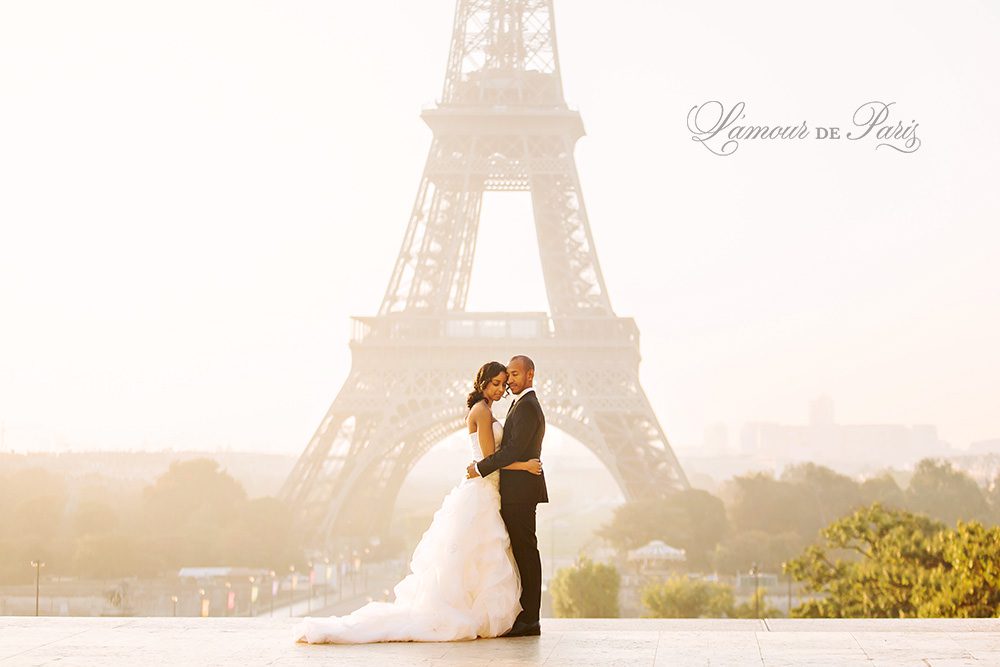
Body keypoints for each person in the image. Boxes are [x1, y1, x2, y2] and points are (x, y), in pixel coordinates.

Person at [292, 360, 542, 644]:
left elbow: (488, 461)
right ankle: (480, 613)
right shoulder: (483, 412)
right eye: (496, 383)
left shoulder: (489, 410)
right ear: (482, 383)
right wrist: (523, 467)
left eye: (504, 382)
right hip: (485, 489)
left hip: (486, 489)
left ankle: (480, 612)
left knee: (477, 555)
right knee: (484, 554)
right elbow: (488, 462)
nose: (502, 388)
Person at [466, 354, 547, 637]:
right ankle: (523, 616)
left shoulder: (525, 406)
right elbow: (507, 451)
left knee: (525, 553)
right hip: (511, 489)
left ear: (530, 374)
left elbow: (509, 452)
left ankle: (529, 619)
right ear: (485, 384)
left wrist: (479, 467)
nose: (508, 383)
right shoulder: (516, 404)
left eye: (513, 375)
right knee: (519, 553)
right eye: (502, 379)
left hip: (519, 492)